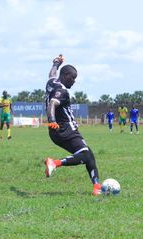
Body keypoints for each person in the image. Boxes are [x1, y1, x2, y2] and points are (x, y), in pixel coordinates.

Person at [43, 55, 101, 196]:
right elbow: (52, 104)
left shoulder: (52, 82)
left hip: (55, 132)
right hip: (65, 129)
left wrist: (56, 63)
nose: (74, 81)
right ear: (65, 75)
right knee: (86, 156)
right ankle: (55, 163)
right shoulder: (62, 91)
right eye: (72, 78)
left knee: (89, 155)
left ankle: (97, 188)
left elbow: (52, 73)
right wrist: (52, 120)